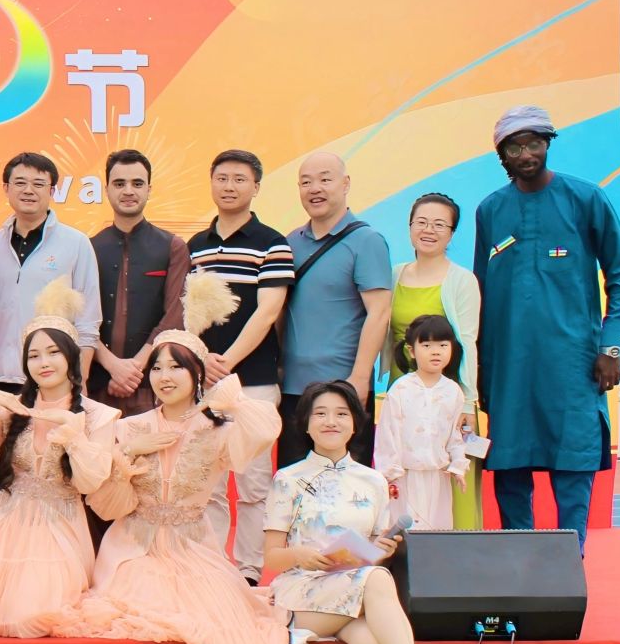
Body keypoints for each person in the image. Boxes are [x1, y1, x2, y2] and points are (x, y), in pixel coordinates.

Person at [50, 289, 321, 644]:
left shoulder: (219, 428)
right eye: (157, 367)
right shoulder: (127, 427)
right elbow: (107, 504)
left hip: (194, 550)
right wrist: (129, 455)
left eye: (177, 366)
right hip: (132, 548)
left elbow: (265, 428)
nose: (164, 376)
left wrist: (228, 395)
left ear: (197, 374)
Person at [266, 381, 477, 644]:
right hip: (302, 593)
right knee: (378, 583)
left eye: (341, 413)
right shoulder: (288, 479)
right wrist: (302, 554)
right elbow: (272, 557)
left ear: (355, 424)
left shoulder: (374, 481)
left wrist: (382, 549)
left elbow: (370, 553)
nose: (330, 421)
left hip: (351, 587)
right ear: (305, 424)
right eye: (320, 413)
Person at [472, 105, 620, 547]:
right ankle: (519, 568)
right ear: (501, 155)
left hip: (573, 366)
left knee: (573, 465)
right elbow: (480, 293)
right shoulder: (490, 210)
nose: (526, 154)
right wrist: (480, 370)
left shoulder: (585, 199)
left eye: (534, 144)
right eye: (514, 147)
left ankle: (569, 568)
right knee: (510, 467)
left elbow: (619, 275)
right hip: (508, 370)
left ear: (548, 144)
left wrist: (612, 347)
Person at [0, 282, 116, 636]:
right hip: (6, 522)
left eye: (53, 353)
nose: (43, 363)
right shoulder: (12, 409)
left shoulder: (97, 415)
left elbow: (91, 481)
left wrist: (74, 436)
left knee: (34, 614)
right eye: (34, 356)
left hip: (61, 527)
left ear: (71, 357)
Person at [186, 149, 295, 581]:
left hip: (255, 382)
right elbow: (186, 314)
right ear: (211, 182)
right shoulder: (194, 246)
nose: (229, 187)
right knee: (208, 484)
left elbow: (268, 311)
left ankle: (249, 571)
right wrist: (203, 362)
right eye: (222, 178)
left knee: (254, 483)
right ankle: (214, 569)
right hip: (203, 383)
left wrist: (226, 362)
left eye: (239, 179)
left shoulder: (273, 243)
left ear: (256, 187)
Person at [280, 152, 392, 467]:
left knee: (348, 486)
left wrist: (360, 378)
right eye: (306, 182)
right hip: (292, 389)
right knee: (294, 483)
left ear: (345, 184)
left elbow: (379, 312)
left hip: (344, 390)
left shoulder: (367, 241)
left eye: (325, 179)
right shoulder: (290, 242)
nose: (315, 188)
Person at [381, 193, 483, 528]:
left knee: (453, 480)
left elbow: (467, 341)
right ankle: (404, 553)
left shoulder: (462, 280)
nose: (429, 230)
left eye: (440, 225)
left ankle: (460, 554)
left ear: (451, 234)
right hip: (403, 389)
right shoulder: (394, 275)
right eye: (422, 222)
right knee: (403, 481)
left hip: (448, 395)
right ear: (410, 226)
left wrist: (467, 401)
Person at [0, 152, 101, 394]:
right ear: (6, 188)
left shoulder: (76, 243)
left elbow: (88, 321)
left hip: (54, 381)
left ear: (52, 191)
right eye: (20, 183)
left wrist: (79, 379)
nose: (29, 190)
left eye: (38, 184)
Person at [89, 149, 189, 416]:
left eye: (137, 183)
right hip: (98, 384)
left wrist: (134, 368)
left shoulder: (173, 246)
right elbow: (80, 318)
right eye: (119, 183)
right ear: (107, 190)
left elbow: (176, 315)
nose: (128, 191)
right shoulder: (89, 247)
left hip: (154, 385)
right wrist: (113, 366)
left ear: (149, 189)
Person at [376, 316, 469, 531]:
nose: (435, 352)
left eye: (443, 345)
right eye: (427, 346)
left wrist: (458, 464)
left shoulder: (453, 391)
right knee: (406, 529)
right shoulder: (401, 388)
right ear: (411, 351)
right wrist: (390, 474)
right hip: (405, 476)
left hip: (438, 477)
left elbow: (455, 435)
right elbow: (388, 433)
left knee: (437, 530)